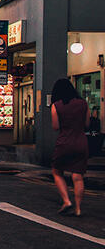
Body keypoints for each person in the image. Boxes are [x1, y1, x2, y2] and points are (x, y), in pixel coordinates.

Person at [50, 78, 89, 217]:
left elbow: (55, 127)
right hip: (81, 142)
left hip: (64, 143)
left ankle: (67, 201)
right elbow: (87, 124)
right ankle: (78, 209)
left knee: (57, 171)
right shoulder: (83, 104)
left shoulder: (57, 105)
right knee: (78, 176)